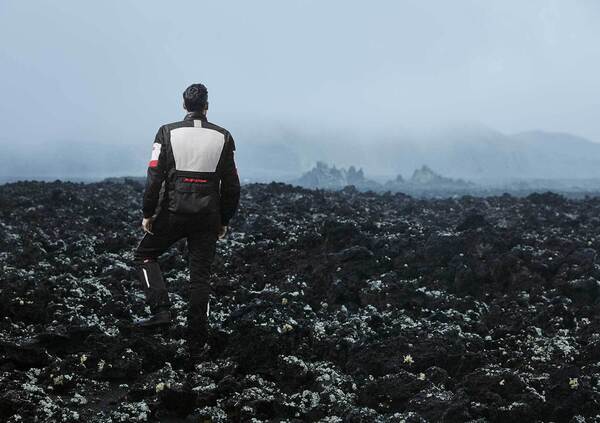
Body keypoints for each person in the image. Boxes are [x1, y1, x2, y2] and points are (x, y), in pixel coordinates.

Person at [133, 83, 240, 357]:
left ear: (184, 105)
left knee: (145, 255)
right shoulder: (224, 137)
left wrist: (148, 213)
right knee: (199, 277)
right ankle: (196, 343)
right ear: (207, 106)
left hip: (173, 212)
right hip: (208, 217)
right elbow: (232, 185)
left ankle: (161, 311)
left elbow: (154, 177)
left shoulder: (166, 132)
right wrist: (224, 219)